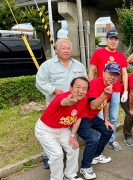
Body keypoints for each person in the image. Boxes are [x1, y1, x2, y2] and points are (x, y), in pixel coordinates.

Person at [36, 38, 87, 169]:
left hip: (73, 107)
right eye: (63, 48)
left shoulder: (79, 65)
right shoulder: (47, 65)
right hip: (55, 106)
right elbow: (40, 82)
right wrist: (53, 90)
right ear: (56, 50)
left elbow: (85, 82)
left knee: (66, 130)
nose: (66, 50)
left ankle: (64, 156)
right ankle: (48, 156)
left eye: (68, 48)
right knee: (50, 130)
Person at [35, 77, 89, 180]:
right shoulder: (61, 97)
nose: (81, 91)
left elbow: (78, 118)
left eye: (84, 88)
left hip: (63, 129)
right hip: (45, 130)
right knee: (57, 154)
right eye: (78, 87)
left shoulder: (84, 100)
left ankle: (70, 174)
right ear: (70, 88)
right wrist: (69, 102)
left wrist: (73, 136)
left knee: (74, 147)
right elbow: (64, 102)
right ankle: (57, 178)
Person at [78, 63, 121, 179]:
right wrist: (104, 94)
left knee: (108, 130)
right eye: (111, 74)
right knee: (92, 139)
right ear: (103, 72)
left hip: (92, 117)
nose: (113, 77)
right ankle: (85, 167)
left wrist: (106, 120)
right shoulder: (94, 83)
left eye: (116, 75)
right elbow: (92, 106)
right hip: (81, 117)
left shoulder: (110, 86)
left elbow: (106, 103)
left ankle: (96, 155)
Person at [88, 29, 128, 152]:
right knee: (99, 117)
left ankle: (111, 139)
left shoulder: (121, 56)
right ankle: (100, 140)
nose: (113, 41)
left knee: (114, 117)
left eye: (115, 39)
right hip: (101, 90)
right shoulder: (98, 53)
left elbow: (124, 74)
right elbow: (91, 70)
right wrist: (91, 86)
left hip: (115, 91)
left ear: (118, 41)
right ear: (106, 40)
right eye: (111, 38)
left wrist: (125, 90)